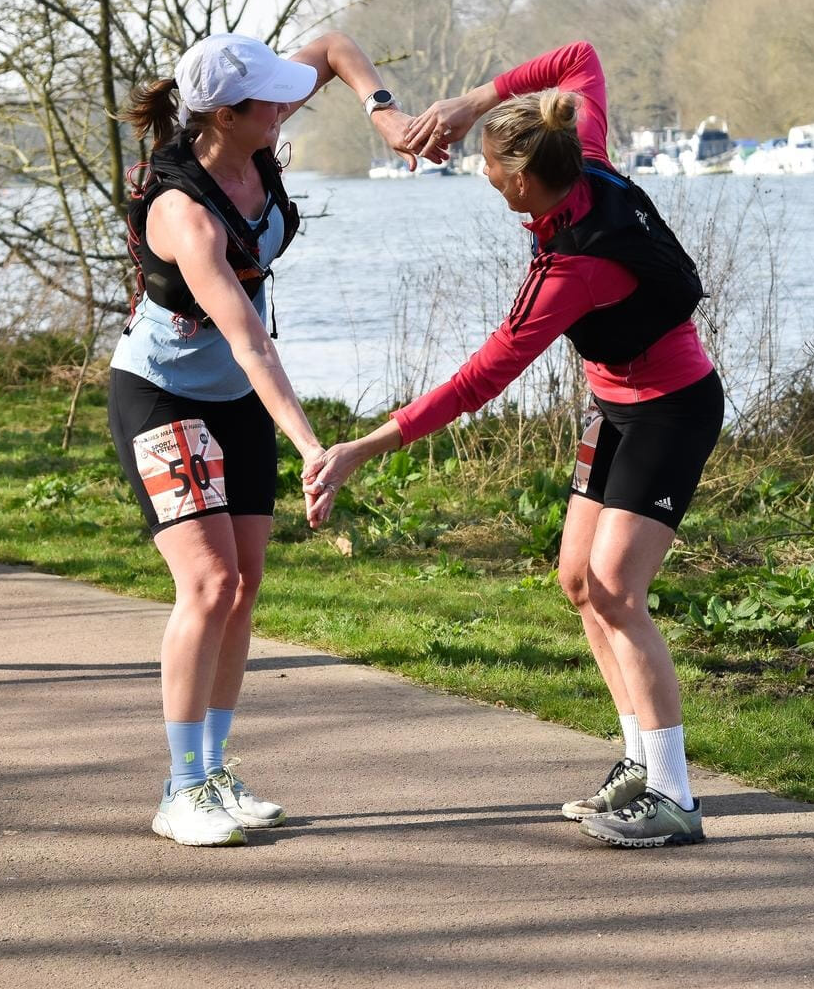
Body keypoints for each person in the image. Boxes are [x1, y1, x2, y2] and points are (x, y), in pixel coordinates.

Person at [307, 41, 724, 848]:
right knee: (579, 581)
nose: (482, 171)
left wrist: (364, 446)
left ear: (524, 181)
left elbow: (480, 381)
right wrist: (471, 106)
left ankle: (674, 798)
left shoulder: (572, 270)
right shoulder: (580, 152)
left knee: (618, 589)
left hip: (673, 409)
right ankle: (639, 766)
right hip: (615, 406)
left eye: (489, 165)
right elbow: (582, 58)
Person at [112, 30, 418, 847]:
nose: (289, 104)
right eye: (273, 99)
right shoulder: (184, 213)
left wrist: (385, 115)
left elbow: (338, 46)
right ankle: (180, 790)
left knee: (245, 586)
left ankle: (213, 772)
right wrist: (315, 447)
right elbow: (250, 343)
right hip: (162, 397)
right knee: (209, 584)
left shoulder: (252, 124)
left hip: (235, 401)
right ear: (227, 114)